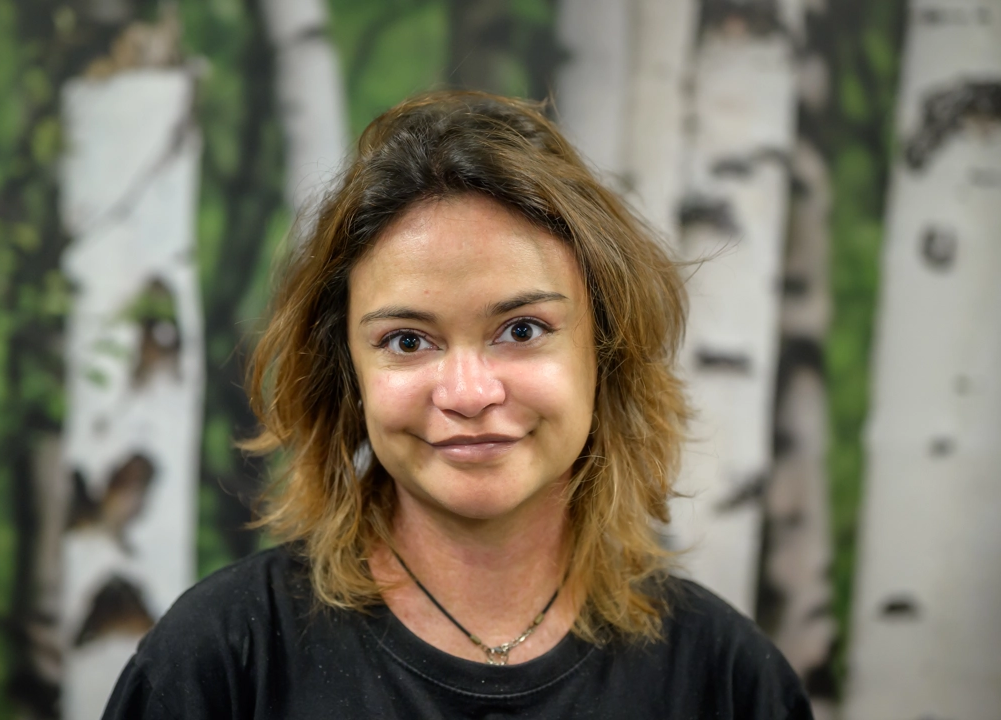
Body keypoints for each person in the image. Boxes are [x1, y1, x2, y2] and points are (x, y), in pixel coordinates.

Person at [102, 91, 812, 719]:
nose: (469, 394)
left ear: (606, 352)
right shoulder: (220, 663)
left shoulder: (726, 681)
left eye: (522, 330)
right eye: (408, 341)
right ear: (347, 372)